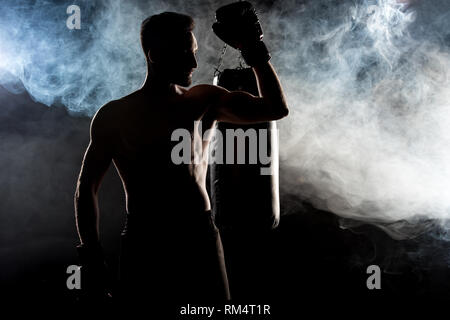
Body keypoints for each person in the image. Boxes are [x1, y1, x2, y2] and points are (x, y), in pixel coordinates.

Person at [74, 3, 288, 309]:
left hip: (198, 234)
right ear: (155, 55)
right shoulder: (115, 116)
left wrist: (253, 48)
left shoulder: (203, 101)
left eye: (194, 50)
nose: (194, 61)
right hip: (145, 239)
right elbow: (86, 189)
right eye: (184, 52)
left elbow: (275, 109)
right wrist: (91, 256)